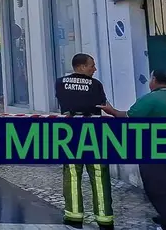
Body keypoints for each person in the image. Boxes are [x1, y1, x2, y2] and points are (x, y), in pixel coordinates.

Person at [100, 70, 166, 230]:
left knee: (158, 189)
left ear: (154, 80)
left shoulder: (151, 99)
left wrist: (112, 111)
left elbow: (129, 117)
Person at [54, 53, 114, 230]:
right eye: (91, 66)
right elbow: (102, 105)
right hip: (93, 131)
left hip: (71, 132)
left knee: (72, 173)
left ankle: (74, 217)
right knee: (99, 174)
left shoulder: (60, 82)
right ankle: (105, 219)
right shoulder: (95, 84)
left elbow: (63, 104)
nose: (94, 69)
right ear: (80, 67)